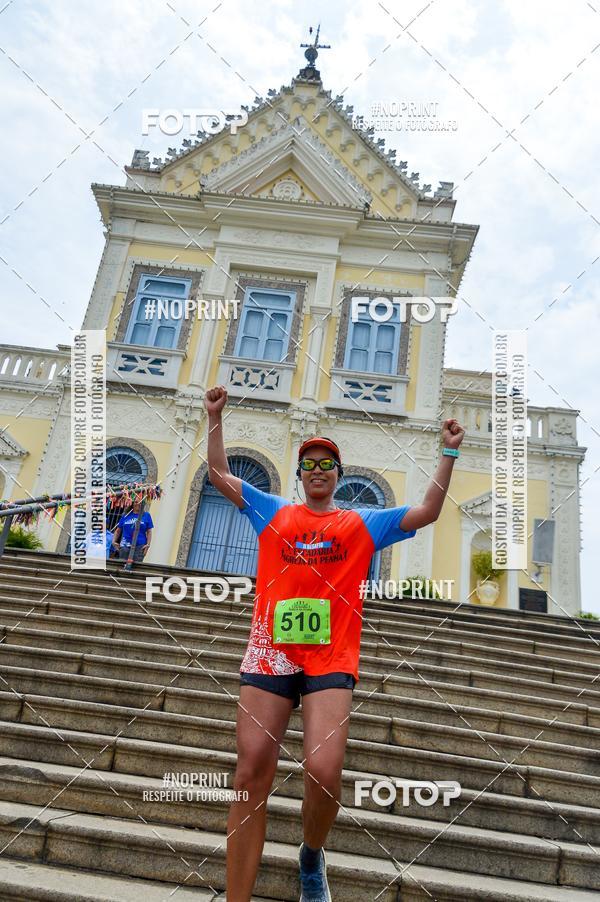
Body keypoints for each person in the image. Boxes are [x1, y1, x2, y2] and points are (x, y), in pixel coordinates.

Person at [204, 384, 465, 902]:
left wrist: (449, 452)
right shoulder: (272, 511)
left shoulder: (361, 523)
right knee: (250, 773)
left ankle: (311, 853)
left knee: (324, 774)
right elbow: (217, 474)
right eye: (309, 463)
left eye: (327, 463)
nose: (317, 469)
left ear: (338, 475)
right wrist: (215, 417)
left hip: (330, 658)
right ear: (300, 474)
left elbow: (428, 511)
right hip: (271, 652)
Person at [112, 497, 153, 563]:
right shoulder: (126, 515)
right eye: (136, 502)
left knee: (136, 567)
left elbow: (149, 532)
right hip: (125, 545)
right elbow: (118, 531)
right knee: (122, 565)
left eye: (140, 502)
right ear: (132, 503)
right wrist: (113, 542)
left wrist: (148, 545)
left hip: (140, 546)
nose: (138, 504)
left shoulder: (146, 515)